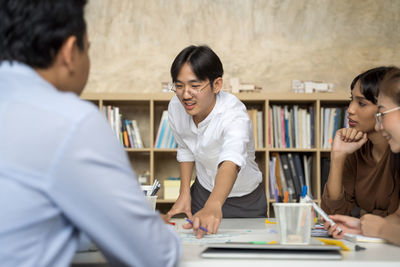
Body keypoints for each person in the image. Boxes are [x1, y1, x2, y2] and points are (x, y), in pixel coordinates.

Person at [0, 1, 180, 266]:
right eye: (89, 48)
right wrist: (149, 226)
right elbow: (157, 256)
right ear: (70, 52)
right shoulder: (71, 121)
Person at [166, 45, 267, 238]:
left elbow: (232, 159)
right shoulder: (176, 106)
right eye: (179, 86)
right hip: (203, 192)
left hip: (245, 200)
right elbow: (186, 148)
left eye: (195, 86)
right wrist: (184, 192)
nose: (185, 95)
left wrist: (214, 204)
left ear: (217, 84)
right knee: (198, 251)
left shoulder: (234, 114)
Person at [325, 67, 400, 246]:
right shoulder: (358, 148)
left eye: (382, 112)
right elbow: (333, 214)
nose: (350, 110)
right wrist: (337, 156)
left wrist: (379, 228)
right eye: (351, 100)